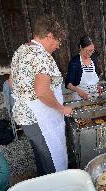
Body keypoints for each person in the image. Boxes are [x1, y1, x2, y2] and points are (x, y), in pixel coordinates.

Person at [10, 16, 72, 176]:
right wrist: (61, 108)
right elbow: (42, 92)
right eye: (58, 41)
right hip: (40, 120)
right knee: (52, 163)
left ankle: (43, 189)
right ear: (50, 35)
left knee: (41, 160)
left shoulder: (22, 50)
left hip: (25, 118)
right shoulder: (42, 56)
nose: (58, 46)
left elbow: (11, 82)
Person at [65, 35, 101, 100]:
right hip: (79, 97)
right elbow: (68, 84)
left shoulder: (94, 59)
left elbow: (95, 77)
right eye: (87, 51)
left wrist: (98, 85)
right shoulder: (75, 62)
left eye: (91, 50)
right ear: (81, 47)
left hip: (95, 96)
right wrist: (78, 91)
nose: (90, 53)